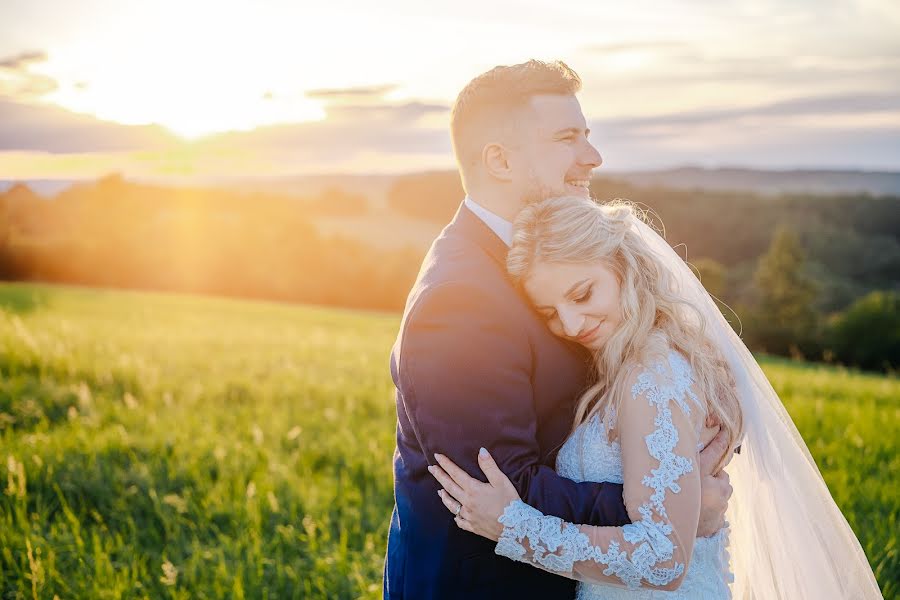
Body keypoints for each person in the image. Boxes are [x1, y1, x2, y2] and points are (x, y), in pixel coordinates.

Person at [383, 60, 733, 600]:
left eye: (587, 136)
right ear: (498, 160)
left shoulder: (557, 263)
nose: (592, 157)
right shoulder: (460, 299)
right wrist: (678, 503)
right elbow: (498, 485)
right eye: (568, 138)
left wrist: (675, 484)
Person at [429, 197, 883, 599]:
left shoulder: (651, 376)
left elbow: (662, 557)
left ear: (622, 265)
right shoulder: (647, 360)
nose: (570, 324)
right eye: (550, 313)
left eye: (583, 293)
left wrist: (512, 527)